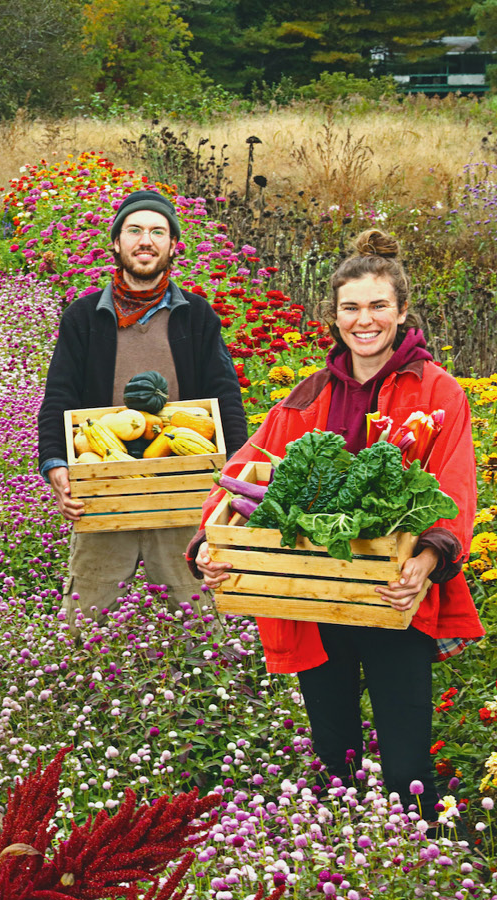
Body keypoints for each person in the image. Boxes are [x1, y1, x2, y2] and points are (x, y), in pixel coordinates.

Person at [193, 229, 483, 823]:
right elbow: (244, 471)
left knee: (406, 762)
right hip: (313, 593)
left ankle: (417, 848)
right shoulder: (311, 394)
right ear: (333, 316)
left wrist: (428, 557)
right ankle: (343, 853)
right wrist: (210, 542)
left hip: (392, 589)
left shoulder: (438, 391)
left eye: (378, 306)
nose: (364, 320)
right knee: (335, 754)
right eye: (351, 308)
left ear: (402, 310)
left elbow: (453, 486)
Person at [36, 189, 248, 627]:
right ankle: (79, 669)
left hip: (181, 483)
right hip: (104, 484)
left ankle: (209, 671)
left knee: (199, 618)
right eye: (134, 231)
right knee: (85, 618)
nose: (145, 241)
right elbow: (60, 394)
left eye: (157, 232)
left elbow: (225, 394)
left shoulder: (197, 316)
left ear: (173, 245)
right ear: (116, 243)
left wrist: (234, 477)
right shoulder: (83, 317)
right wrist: (56, 463)